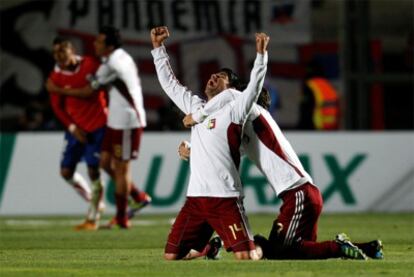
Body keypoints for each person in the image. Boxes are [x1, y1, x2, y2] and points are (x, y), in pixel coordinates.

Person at [181, 87, 383, 260]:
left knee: (281, 250)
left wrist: (198, 116)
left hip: (297, 194)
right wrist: (192, 149)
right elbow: (222, 150)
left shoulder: (251, 110)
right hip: (303, 193)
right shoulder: (254, 128)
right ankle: (368, 248)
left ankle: (339, 247)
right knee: (298, 250)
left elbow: (230, 100)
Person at [151, 26, 269, 260]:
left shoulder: (236, 110)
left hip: (225, 198)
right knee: (172, 256)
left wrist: (261, 56)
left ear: (232, 89)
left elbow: (254, 87)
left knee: (247, 257)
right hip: (195, 198)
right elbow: (170, 85)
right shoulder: (197, 108)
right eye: (213, 74)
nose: (213, 76)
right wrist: (157, 48)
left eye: (221, 76)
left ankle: (268, 246)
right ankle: (209, 247)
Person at [48, 27, 151, 229]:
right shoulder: (115, 59)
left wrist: (57, 89)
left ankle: (117, 216)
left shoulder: (103, 65)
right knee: (104, 165)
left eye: (99, 42)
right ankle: (137, 196)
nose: (94, 44)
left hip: (120, 122)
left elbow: (88, 92)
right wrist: (71, 126)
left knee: (115, 169)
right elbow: (57, 106)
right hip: (109, 122)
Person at [46, 37, 107, 230]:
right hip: (75, 129)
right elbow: (58, 108)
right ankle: (93, 199)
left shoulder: (90, 64)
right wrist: (73, 128)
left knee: (93, 170)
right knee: (65, 172)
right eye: (55, 53)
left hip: (98, 125)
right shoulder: (55, 77)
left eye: (62, 51)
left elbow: (92, 92)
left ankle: (93, 217)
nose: (59, 56)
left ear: (71, 50)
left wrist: (61, 90)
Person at [297, 60, 340, 130]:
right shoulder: (329, 86)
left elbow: (306, 111)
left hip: (316, 128)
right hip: (332, 129)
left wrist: (300, 129)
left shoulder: (310, 86)